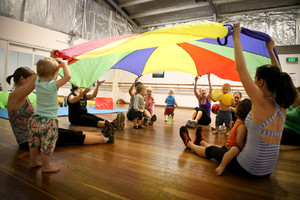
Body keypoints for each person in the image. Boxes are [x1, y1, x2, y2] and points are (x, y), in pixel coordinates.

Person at [179, 22, 297, 178]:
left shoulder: (261, 101)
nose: (253, 82)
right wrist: (269, 49)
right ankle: (202, 141)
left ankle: (190, 144)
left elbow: (241, 69)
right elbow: (278, 74)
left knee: (214, 152)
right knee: (226, 149)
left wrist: (236, 38)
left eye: (255, 79)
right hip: (267, 171)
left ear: (261, 82)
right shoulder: (281, 104)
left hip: (248, 169)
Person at [7, 68, 114, 154]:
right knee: (71, 137)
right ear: (22, 79)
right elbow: (38, 79)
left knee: (69, 132)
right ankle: (105, 139)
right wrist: (50, 63)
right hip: (28, 141)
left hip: (38, 132)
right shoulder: (14, 97)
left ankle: (102, 135)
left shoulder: (22, 96)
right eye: (30, 80)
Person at [27, 57, 71, 173]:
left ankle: (32, 161)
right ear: (55, 73)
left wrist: (51, 59)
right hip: (48, 122)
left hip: (35, 119)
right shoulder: (52, 85)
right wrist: (64, 63)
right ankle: (46, 167)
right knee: (47, 144)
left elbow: (42, 70)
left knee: (33, 142)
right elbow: (68, 77)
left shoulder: (37, 82)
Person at [215, 98, 252, 175]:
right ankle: (222, 166)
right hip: (233, 146)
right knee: (235, 150)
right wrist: (243, 149)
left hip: (230, 143)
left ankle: (203, 144)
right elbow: (239, 141)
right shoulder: (242, 126)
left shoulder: (239, 120)